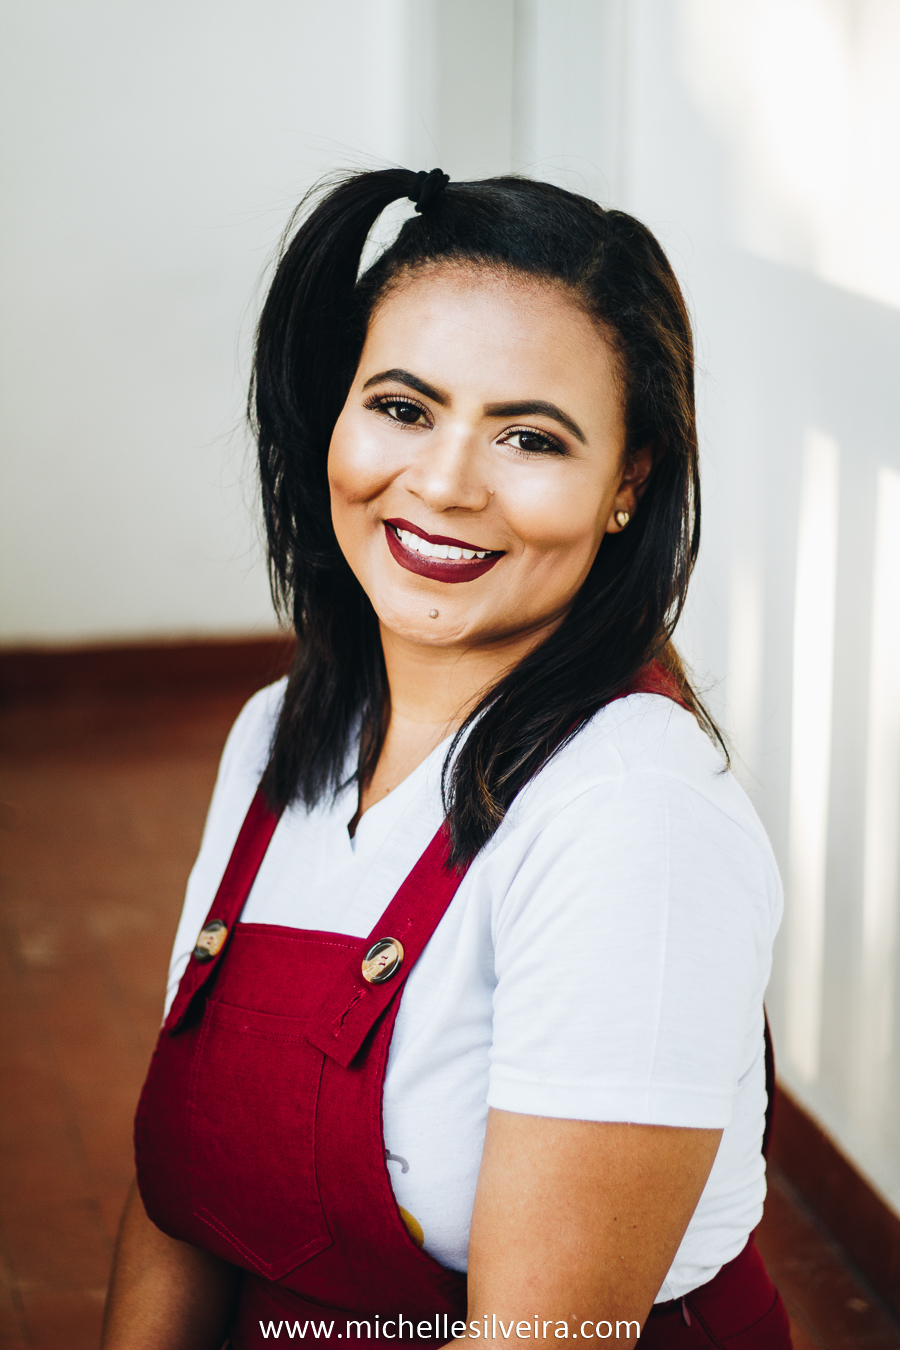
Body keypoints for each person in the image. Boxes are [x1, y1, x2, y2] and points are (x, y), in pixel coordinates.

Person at [101, 168, 791, 1349]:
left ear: (627, 484)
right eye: (404, 408)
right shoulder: (278, 734)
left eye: (530, 436)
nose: (442, 483)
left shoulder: (633, 816)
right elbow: (184, 1195)